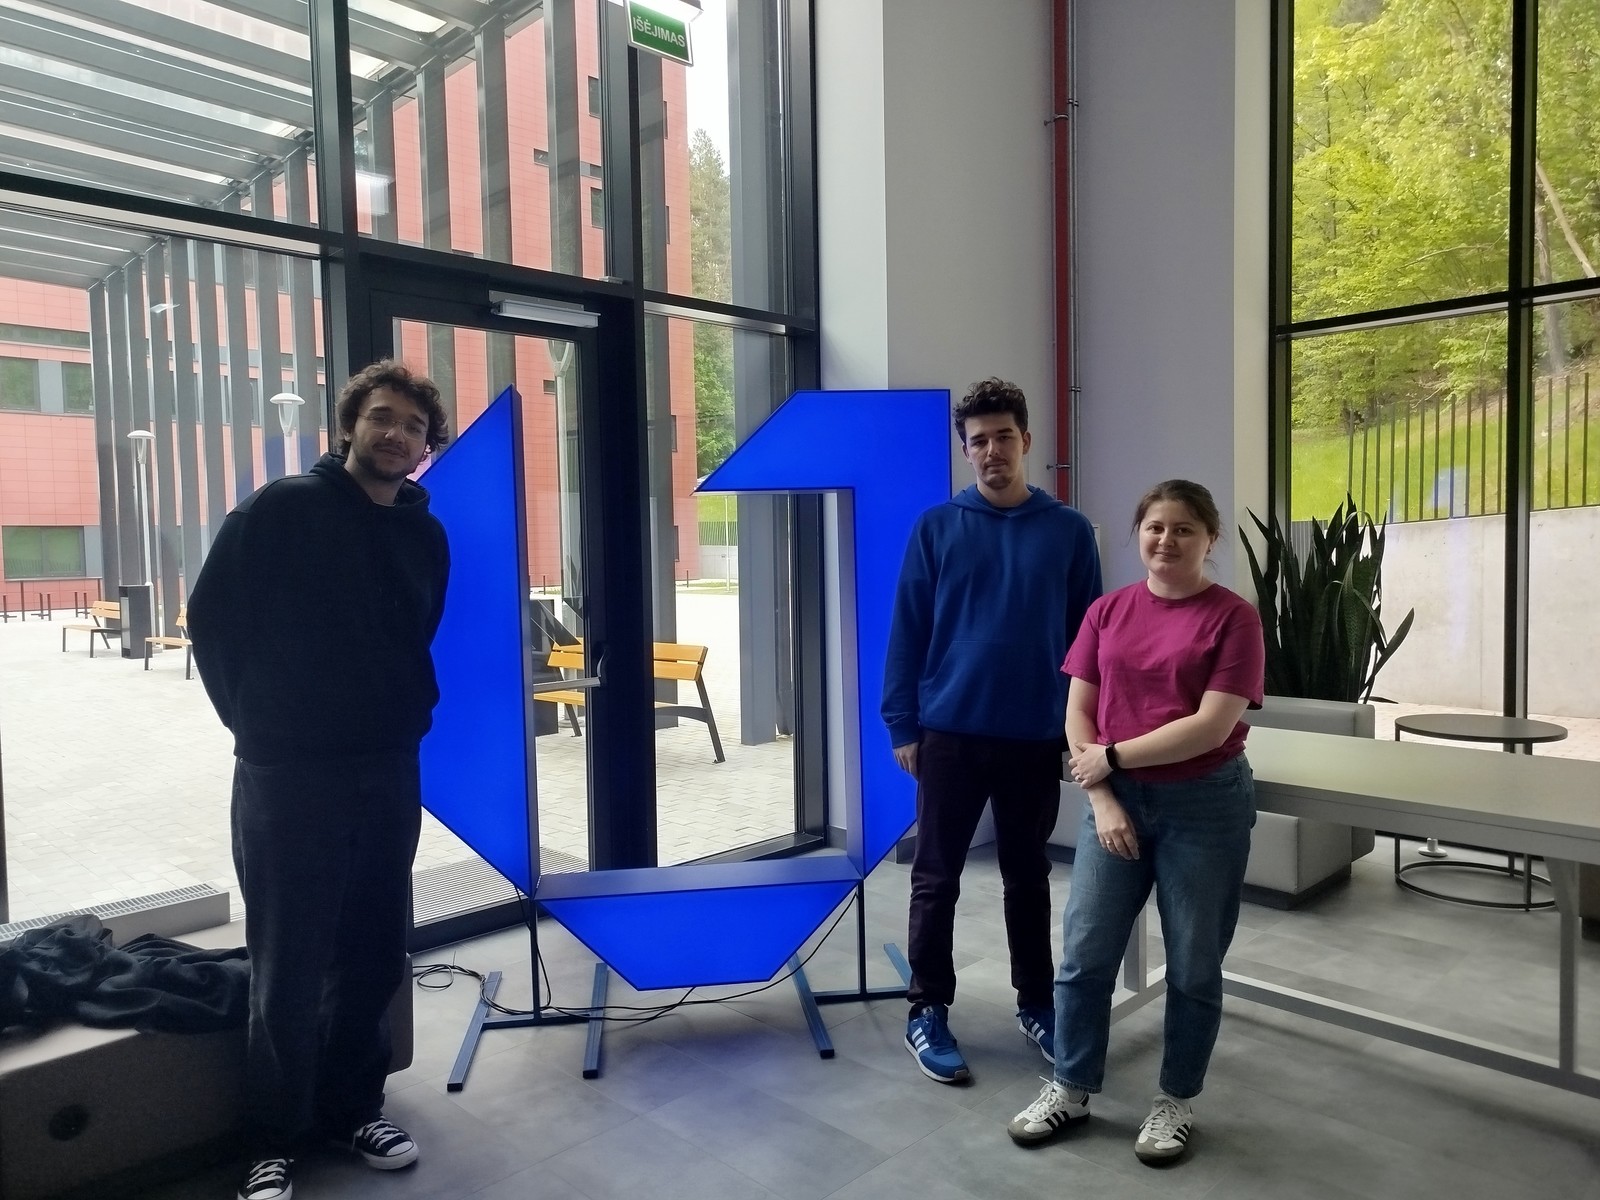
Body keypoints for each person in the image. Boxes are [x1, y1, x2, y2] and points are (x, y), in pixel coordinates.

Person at [188, 361, 452, 1200]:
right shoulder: (282, 509)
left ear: (425, 445)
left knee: (374, 949)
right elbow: (211, 619)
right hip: (289, 772)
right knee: (290, 959)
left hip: (388, 765)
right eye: (382, 416)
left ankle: (353, 1109)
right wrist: (256, 723)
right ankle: (273, 1138)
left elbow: (417, 632)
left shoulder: (424, 533)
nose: (395, 433)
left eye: (412, 426)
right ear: (349, 425)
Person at [1005, 479, 1263, 1165]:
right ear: (1138, 534)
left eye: (1183, 529)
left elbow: (1211, 726)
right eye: (1155, 527)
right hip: (1115, 801)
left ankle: (1175, 1098)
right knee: (1085, 955)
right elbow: (1078, 711)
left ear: (1210, 539)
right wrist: (1102, 795)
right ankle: (1070, 1085)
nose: (1166, 540)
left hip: (1204, 805)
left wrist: (1110, 758)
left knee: (1194, 963)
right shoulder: (1107, 611)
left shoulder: (1234, 618)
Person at [883, 377, 1102, 1084]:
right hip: (948, 733)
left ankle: (1036, 1003)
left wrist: (1082, 732)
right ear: (966, 451)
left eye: (1004, 436)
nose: (992, 451)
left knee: (1027, 878)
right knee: (935, 877)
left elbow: (1089, 643)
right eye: (978, 441)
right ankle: (926, 1008)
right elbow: (907, 630)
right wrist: (901, 724)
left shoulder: (1069, 531)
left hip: (1034, 735)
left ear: (1026, 440)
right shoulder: (936, 527)